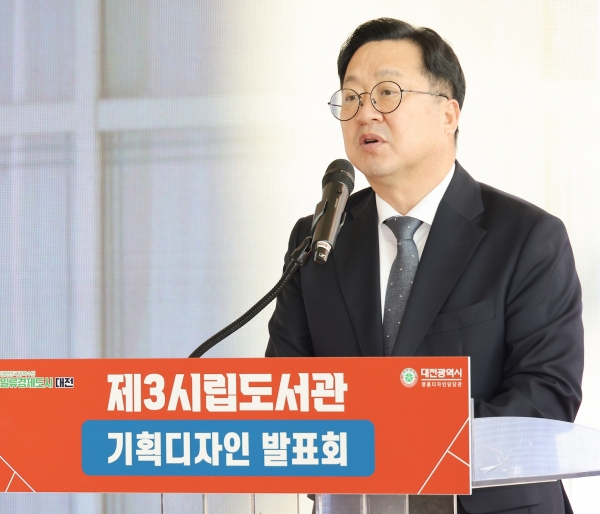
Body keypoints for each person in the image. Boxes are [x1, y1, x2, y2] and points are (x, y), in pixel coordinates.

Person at [266, 18, 583, 514]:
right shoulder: (319, 239)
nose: (365, 112)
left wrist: (391, 442)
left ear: (448, 113)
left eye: (386, 93)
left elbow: (545, 400)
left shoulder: (527, 237)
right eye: (350, 98)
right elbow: (287, 393)